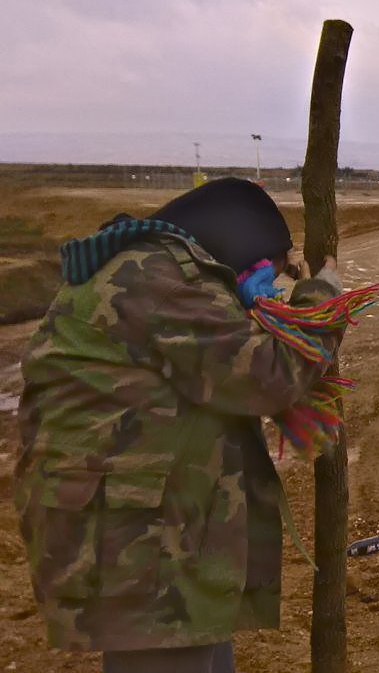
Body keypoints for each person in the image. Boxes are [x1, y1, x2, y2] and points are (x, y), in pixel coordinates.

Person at [13, 178, 347, 673]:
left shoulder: (151, 268)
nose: (268, 293)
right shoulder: (162, 279)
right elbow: (267, 376)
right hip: (141, 545)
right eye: (270, 275)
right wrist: (322, 296)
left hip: (145, 529)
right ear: (240, 248)